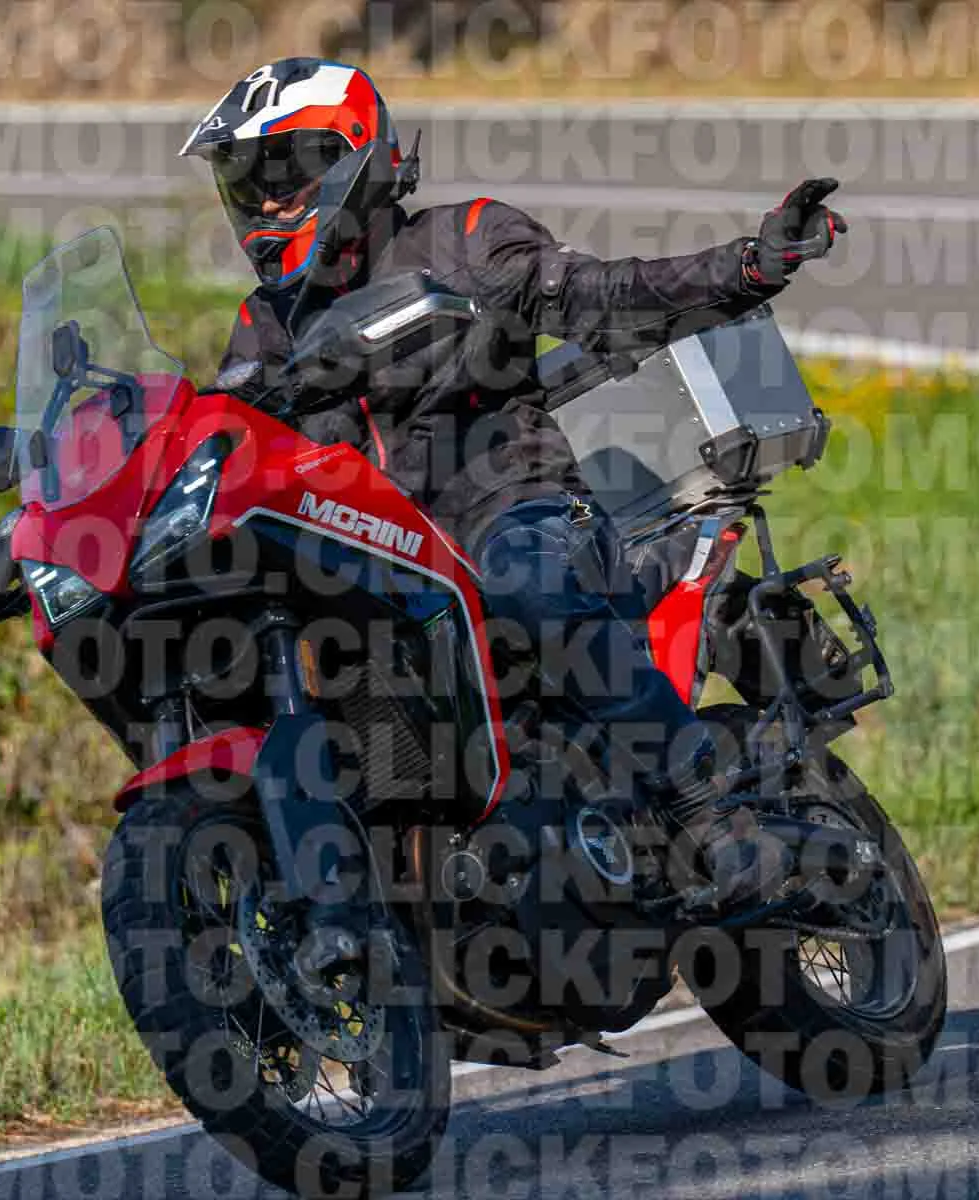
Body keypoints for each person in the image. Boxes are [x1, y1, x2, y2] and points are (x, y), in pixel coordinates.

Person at [183, 58, 848, 908]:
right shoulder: (264, 324)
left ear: (351, 159)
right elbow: (219, 437)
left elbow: (608, 294)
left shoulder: (465, 239)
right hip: (379, 560)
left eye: (283, 176)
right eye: (248, 185)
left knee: (524, 586)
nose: (268, 205)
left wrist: (750, 264)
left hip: (515, 509)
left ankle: (704, 804)